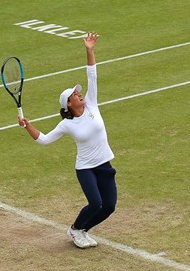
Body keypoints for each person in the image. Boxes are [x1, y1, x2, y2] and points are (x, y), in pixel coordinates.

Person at [18, 32, 117, 250]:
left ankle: (83, 230)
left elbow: (92, 75)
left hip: (104, 164)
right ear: (68, 105)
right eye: (74, 94)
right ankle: (75, 229)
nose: (79, 94)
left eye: (78, 92)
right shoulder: (67, 125)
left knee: (109, 206)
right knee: (96, 203)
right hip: (86, 168)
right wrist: (28, 125)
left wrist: (89, 50)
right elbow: (44, 140)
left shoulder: (92, 104)